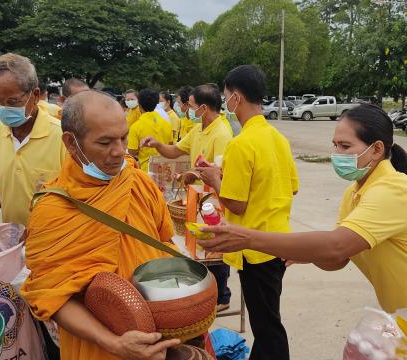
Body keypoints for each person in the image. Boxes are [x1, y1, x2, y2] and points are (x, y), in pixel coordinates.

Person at [199, 103, 407, 318]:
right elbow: (337, 259)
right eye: (335, 145)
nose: (336, 154)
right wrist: (303, 252)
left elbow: (337, 246)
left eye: (345, 146)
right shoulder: (354, 193)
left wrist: (248, 237)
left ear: (377, 149)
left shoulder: (393, 190)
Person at [20, 90, 181, 360]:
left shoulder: (139, 183)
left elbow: (164, 245)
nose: (119, 152)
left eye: (123, 138)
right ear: (71, 143)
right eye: (105, 142)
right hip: (98, 347)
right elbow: (52, 297)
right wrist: (114, 344)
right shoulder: (53, 209)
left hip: (157, 339)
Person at [196, 65, 299, 360]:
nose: (226, 102)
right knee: (266, 319)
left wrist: (216, 180)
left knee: (267, 326)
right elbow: (291, 187)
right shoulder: (277, 138)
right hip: (277, 243)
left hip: (254, 247)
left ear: (237, 97)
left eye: (227, 96)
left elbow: (236, 203)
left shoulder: (242, 144)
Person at [142, 84, 234, 312]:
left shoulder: (222, 134)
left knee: (216, 249)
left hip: (214, 199)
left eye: (190, 106)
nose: (186, 110)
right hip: (197, 197)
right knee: (201, 248)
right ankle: (209, 290)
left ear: (203, 107)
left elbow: (221, 171)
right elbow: (175, 151)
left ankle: (222, 296)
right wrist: (157, 144)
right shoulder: (198, 128)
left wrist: (192, 173)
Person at [0, 53, 66, 226]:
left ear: (36, 95)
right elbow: (6, 182)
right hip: (11, 239)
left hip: (51, 242)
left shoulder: (62, 137)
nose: (3, 108)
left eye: (12, 101)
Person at [127, 89, 173, 172]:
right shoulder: (167, 123)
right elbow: (170, 145)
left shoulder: (136, 127)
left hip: (146, 171)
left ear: (139, 106)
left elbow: (131, 152)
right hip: (165, 169)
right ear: (156, 104)